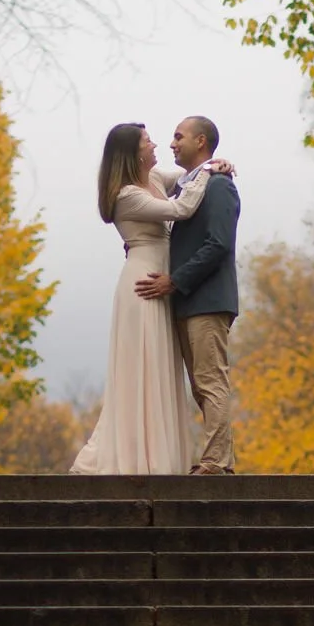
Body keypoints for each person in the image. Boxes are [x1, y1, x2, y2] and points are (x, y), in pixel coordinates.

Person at [70, 122, 232, 476]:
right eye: (148, 141)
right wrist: (209, 169)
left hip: (164, 282)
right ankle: (132, 457)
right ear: (133, 152)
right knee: (141, 369)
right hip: (144, 282)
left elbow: (186, 179)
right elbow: (182, 208)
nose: (156, 144)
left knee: (158, 369)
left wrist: (214, 165)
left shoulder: (155, 178)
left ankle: (156, 453)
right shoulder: (126, 195)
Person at [132, 112, 241, 475]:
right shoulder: (187, 184)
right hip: (189, 302)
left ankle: (216, 463)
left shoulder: (219, 186)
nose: (172, 143)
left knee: (210, 382)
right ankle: (219, 460)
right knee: (201, 386)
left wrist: (175, 281)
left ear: (201, 141)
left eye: (179, 136)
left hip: (207, 300)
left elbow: (218, 244)